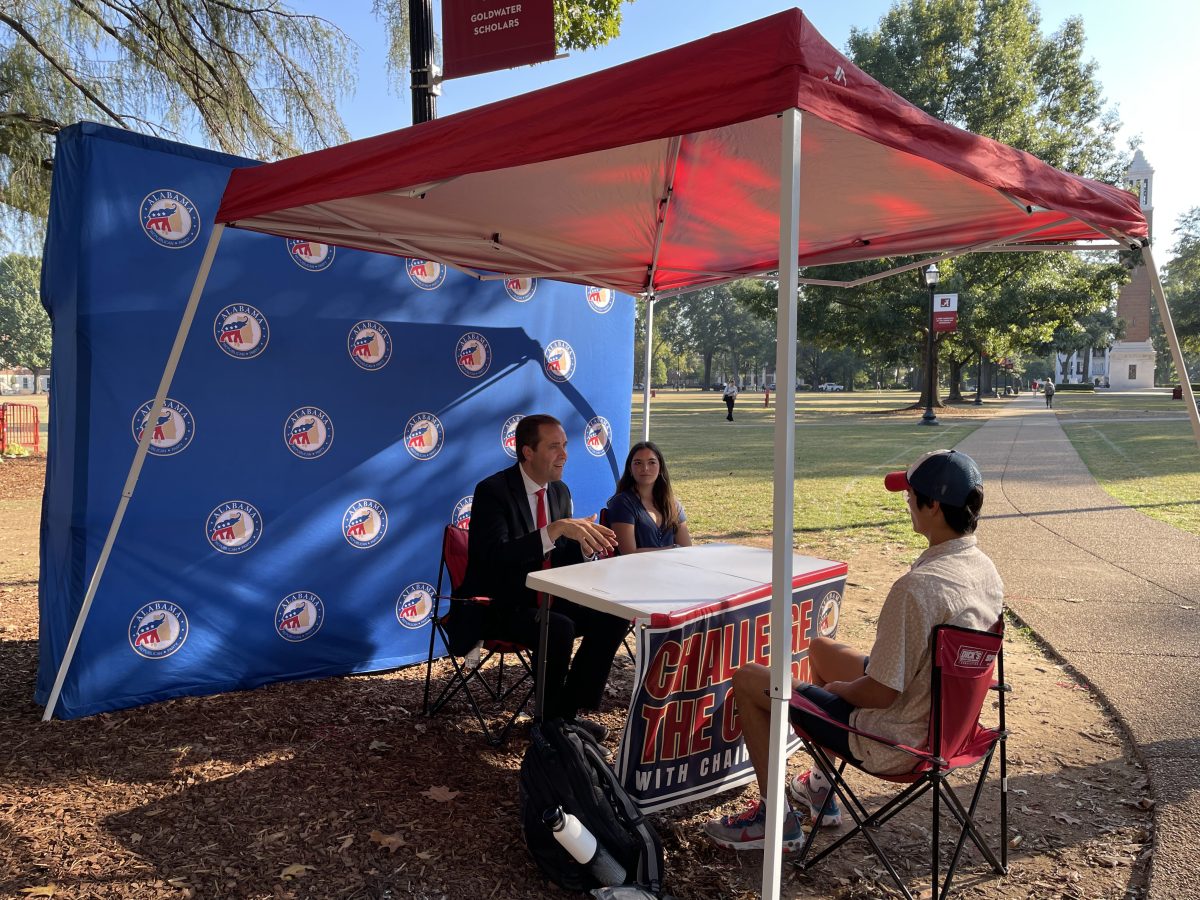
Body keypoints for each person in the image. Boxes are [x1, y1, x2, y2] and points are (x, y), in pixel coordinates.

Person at [704, 449, 1003, 851]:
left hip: (894, 740)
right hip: (948, 726)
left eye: (911, 496)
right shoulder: (985, 571)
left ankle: (774, 819)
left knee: (749, 679)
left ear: (932, 506)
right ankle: (820, 789)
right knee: (821, 649)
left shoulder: (918, 588)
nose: (908, 504)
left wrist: (840, 690)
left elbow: (880, 693)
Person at [451, 414, 629, 739]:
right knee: (557, 626)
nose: (564, 454)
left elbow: (561, 556)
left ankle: (567, 713)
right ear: (527, 452)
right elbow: (495, 557)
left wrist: (586, 545)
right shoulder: (493, 491)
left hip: (546, 597)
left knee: (614, 614)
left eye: (564, 445)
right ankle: (547, 724)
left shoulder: (559, 491)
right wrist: (555, 529)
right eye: (554, 446)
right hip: (499, 603)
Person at [606, 442, 693, 555]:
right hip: (635, 570)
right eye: (638, 463)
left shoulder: (673, 504)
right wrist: (673, 549)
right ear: (630, 468)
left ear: (660, 467)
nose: (645, 468)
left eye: (652, 462)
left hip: (671, 570)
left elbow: (687, 548)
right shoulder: (622, 503)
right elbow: (629, 553)